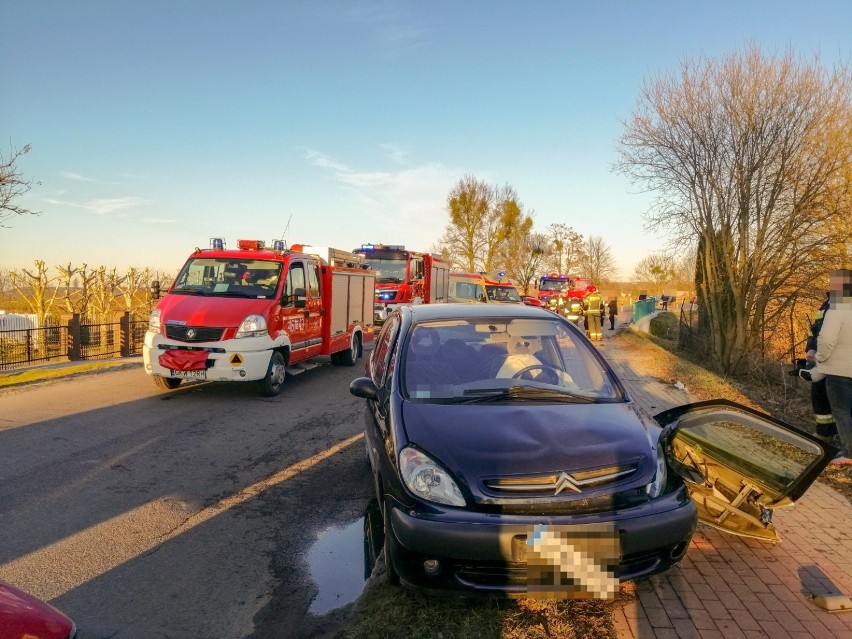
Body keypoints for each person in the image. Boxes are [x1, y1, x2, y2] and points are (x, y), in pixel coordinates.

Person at [815, 268, 852, 464]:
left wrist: (821, 358)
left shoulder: (838, 308)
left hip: (839, 370)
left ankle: (849, 453)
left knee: (842, 411)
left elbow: (827, 338)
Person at [805, 291, 838, 443]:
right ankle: (825, 434)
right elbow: (815, 329)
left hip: (839, 360)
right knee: (820, 395)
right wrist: (811, 349)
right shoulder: (826, 304)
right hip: (822, 359)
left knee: (842, 401)